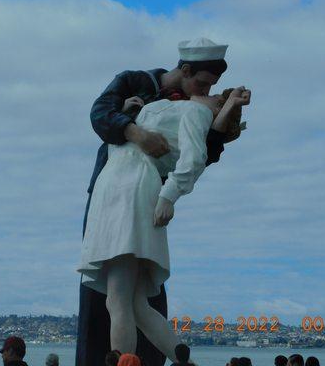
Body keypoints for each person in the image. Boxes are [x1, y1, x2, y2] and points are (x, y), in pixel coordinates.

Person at [76, 37, 242, 366]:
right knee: (133, 301)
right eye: (204, 84)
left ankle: (127, 362)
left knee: (118, 298)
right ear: (184, 69)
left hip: (129, 191)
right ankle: (182, 359)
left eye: (212, 92)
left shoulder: (194, 111)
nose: (206, 93)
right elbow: (101, 115)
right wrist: (131, 119)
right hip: (117, 189)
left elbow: (199, 156)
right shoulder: (147, 90)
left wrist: (169, 195)